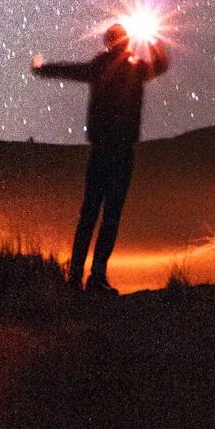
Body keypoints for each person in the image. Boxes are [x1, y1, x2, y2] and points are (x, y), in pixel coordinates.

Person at [31, 21, 171, 292]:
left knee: (91, 213)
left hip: (103, 150)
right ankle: (95, 276)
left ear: (108, 42)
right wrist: (153, 39)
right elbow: (162, 64)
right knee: (109, 215)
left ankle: (77, 277)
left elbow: (69, 70)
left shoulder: (102, 66)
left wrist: (42, 69)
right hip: (119, 151)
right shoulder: (134, 67)